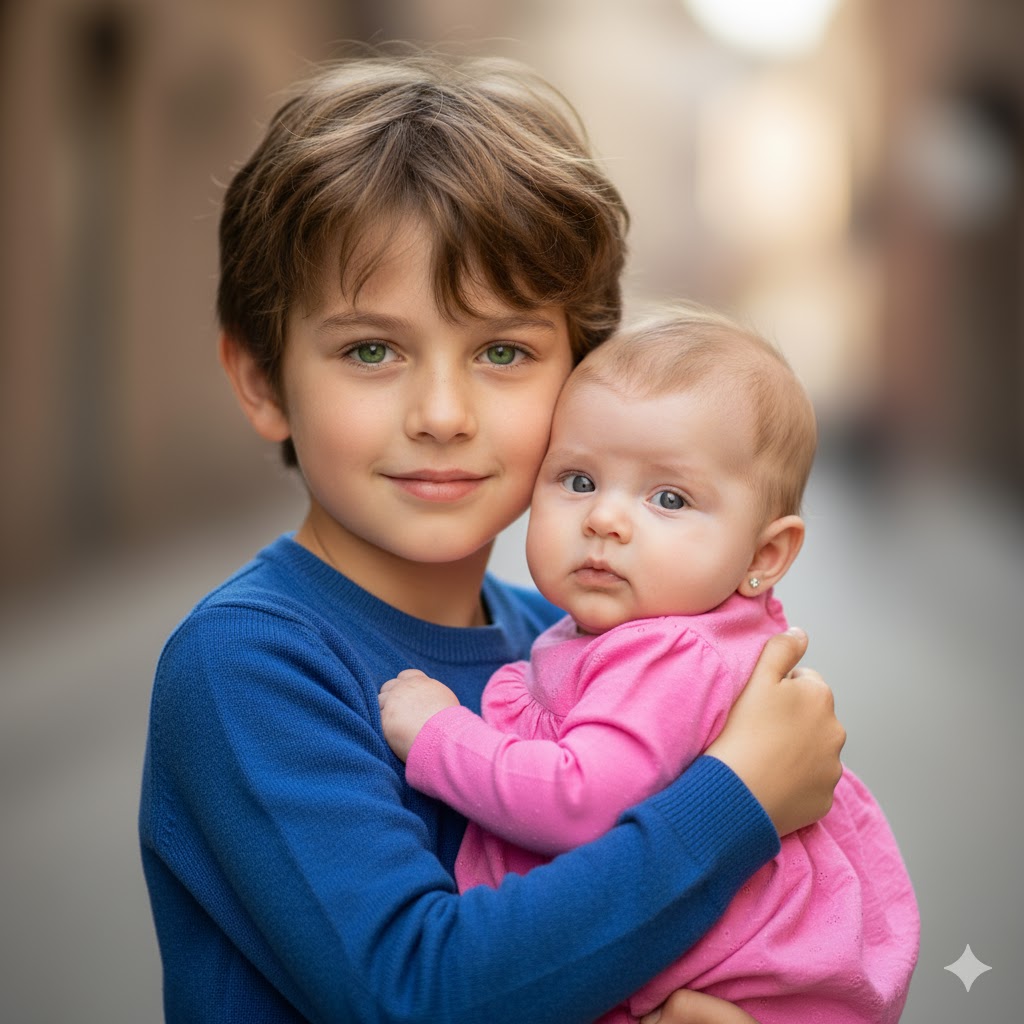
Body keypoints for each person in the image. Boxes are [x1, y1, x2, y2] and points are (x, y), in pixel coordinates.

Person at [139, 50, 846, 1024]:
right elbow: (415, 991)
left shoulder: (568, 640)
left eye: (503, 350)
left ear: (581, 380)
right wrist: (741, 799)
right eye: (371, 349)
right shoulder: (249, 661)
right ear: (264, 380)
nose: (441, 412)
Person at [379, 308, 919, 1023]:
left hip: (732, 985)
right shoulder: (632, 631)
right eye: (577, 480)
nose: (606, 519)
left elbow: (578, 801)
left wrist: (441, 733)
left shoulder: (672, 653)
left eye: (669, 498)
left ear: (765, 556)